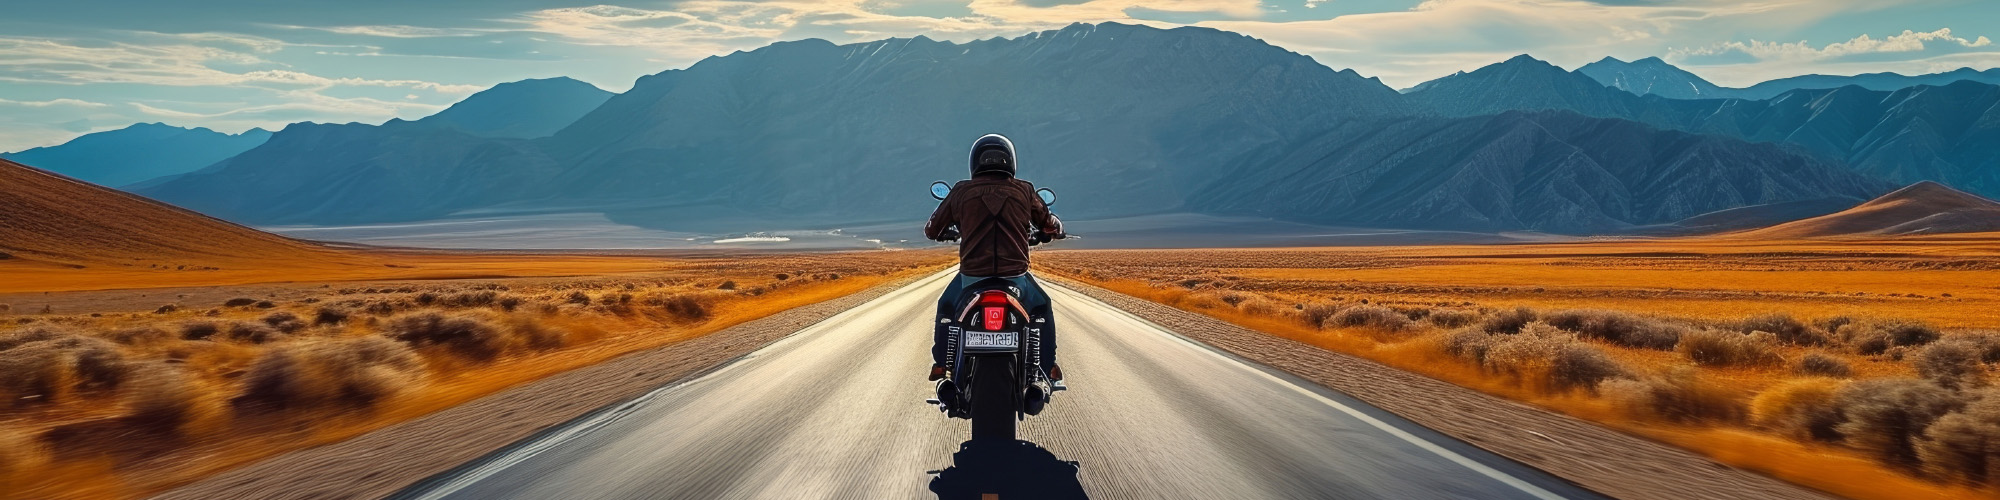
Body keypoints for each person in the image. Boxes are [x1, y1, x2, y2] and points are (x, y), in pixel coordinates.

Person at [926, 134, 1064, 382]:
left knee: (946, 307)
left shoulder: (960, 191)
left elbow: (931, 229)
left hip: (972, 276)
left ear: (975, 162)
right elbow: (1047, 221)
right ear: (1010, 161)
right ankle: (1047, 368)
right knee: (1042, 306)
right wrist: (1055, 228)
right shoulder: (1024, 190)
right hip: (1015, 276)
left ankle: (941, 365)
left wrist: (948, 230)